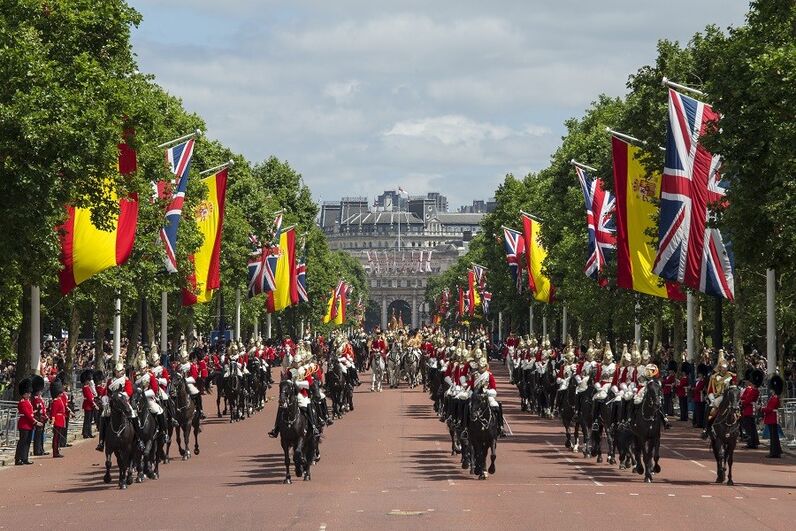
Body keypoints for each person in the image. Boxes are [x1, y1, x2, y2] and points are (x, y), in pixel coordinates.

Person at [701, 350, 735, 439]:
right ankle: (707, 428)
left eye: (726, 367)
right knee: (712, 408)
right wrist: (712, 399)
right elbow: (710, 390)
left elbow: (734, 385)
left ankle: (740, 431)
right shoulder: (714, 377)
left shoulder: (731, 375)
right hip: (718, 396)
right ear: (719, 368)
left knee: (737, 409)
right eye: (723, 367)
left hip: (729, 396)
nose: (725, 369)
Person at [469, 357, 505, 438]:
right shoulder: (474, 375)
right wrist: (471, 393)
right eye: (480, 366)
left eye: (483, 367)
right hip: (476, 395)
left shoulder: (489, 375)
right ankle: (464, 426)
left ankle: (500, 427)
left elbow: (493, 387)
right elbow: (471, 386)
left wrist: (488, 392)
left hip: (486, 395)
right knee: (467, 405)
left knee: (496, 405)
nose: (481, 368)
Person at [15, 378, 41, 465]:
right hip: (24, 424)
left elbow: (29, 413)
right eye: (28, 393)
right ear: (24, 393)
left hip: (29, 424)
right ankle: (18, 458)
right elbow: (27, 415)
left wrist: (34, 413)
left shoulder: (27, 401)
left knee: (28, 442)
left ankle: (25, 458)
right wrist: (36, 422)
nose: (29, 395)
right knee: (22, 442)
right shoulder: (22, 402)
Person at [740, 369, 762, 449]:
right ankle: (754, 442)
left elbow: (747, 400)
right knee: (751, 427)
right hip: (749, 409)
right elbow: (745, 398)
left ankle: (751, 443)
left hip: (748, 410)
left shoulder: (754, 391)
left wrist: (742, 402)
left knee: (749, 428)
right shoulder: (753, 390)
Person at [763, 374, 783, 458]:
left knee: (774, 437)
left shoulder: (775, 398)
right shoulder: (774, 397)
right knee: (774, 436)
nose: (770, 390)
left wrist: (762, 408)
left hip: (772, 418)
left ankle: (774, 452)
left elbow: (770, 409)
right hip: (772, 418)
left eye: (771, 389)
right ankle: (776, 451)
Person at [31, 375, 48, 456]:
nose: (41, 392)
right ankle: (37, 450)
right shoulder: (35, 398)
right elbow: (38, 409)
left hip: (42, 418)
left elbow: (43, 408)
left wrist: (45, 416)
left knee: (41, 435)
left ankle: (41, 449)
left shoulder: (39, 398)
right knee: (38, 435)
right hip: (38, 418)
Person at [49, 379, 66, 458]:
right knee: (56, 437)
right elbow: (53, 413)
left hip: (60, 419)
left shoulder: (59, 400)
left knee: (58, 437)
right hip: (57, 420)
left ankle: (57, 451)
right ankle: (55, 452)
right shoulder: (55, 401)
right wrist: (52, 422)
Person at [80, 369, 95, 438]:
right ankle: (86, 433)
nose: (89, 381)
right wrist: (94, 404)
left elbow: (92, 395)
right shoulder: (85, 387)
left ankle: (88, 432)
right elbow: (89, 398)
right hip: (88, 405)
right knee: (87, 420)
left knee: (89, 420)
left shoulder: (88, 387)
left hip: (89, 405)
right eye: (88, 380)